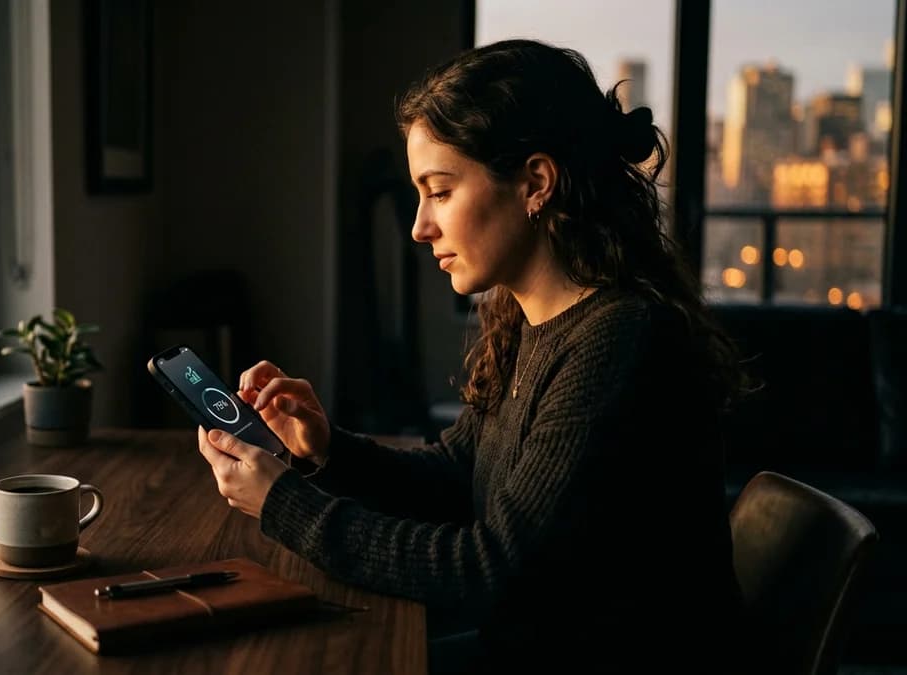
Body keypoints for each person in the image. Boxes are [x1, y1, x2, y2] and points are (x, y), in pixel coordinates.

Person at [196, 39, 747, 673]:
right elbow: (460, 475)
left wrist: (284, 504)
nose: (419, 226)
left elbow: (492, 570)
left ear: (535, 182)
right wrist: (326, 448)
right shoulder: (530, 316)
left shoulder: (620, 341)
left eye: (440, 191)